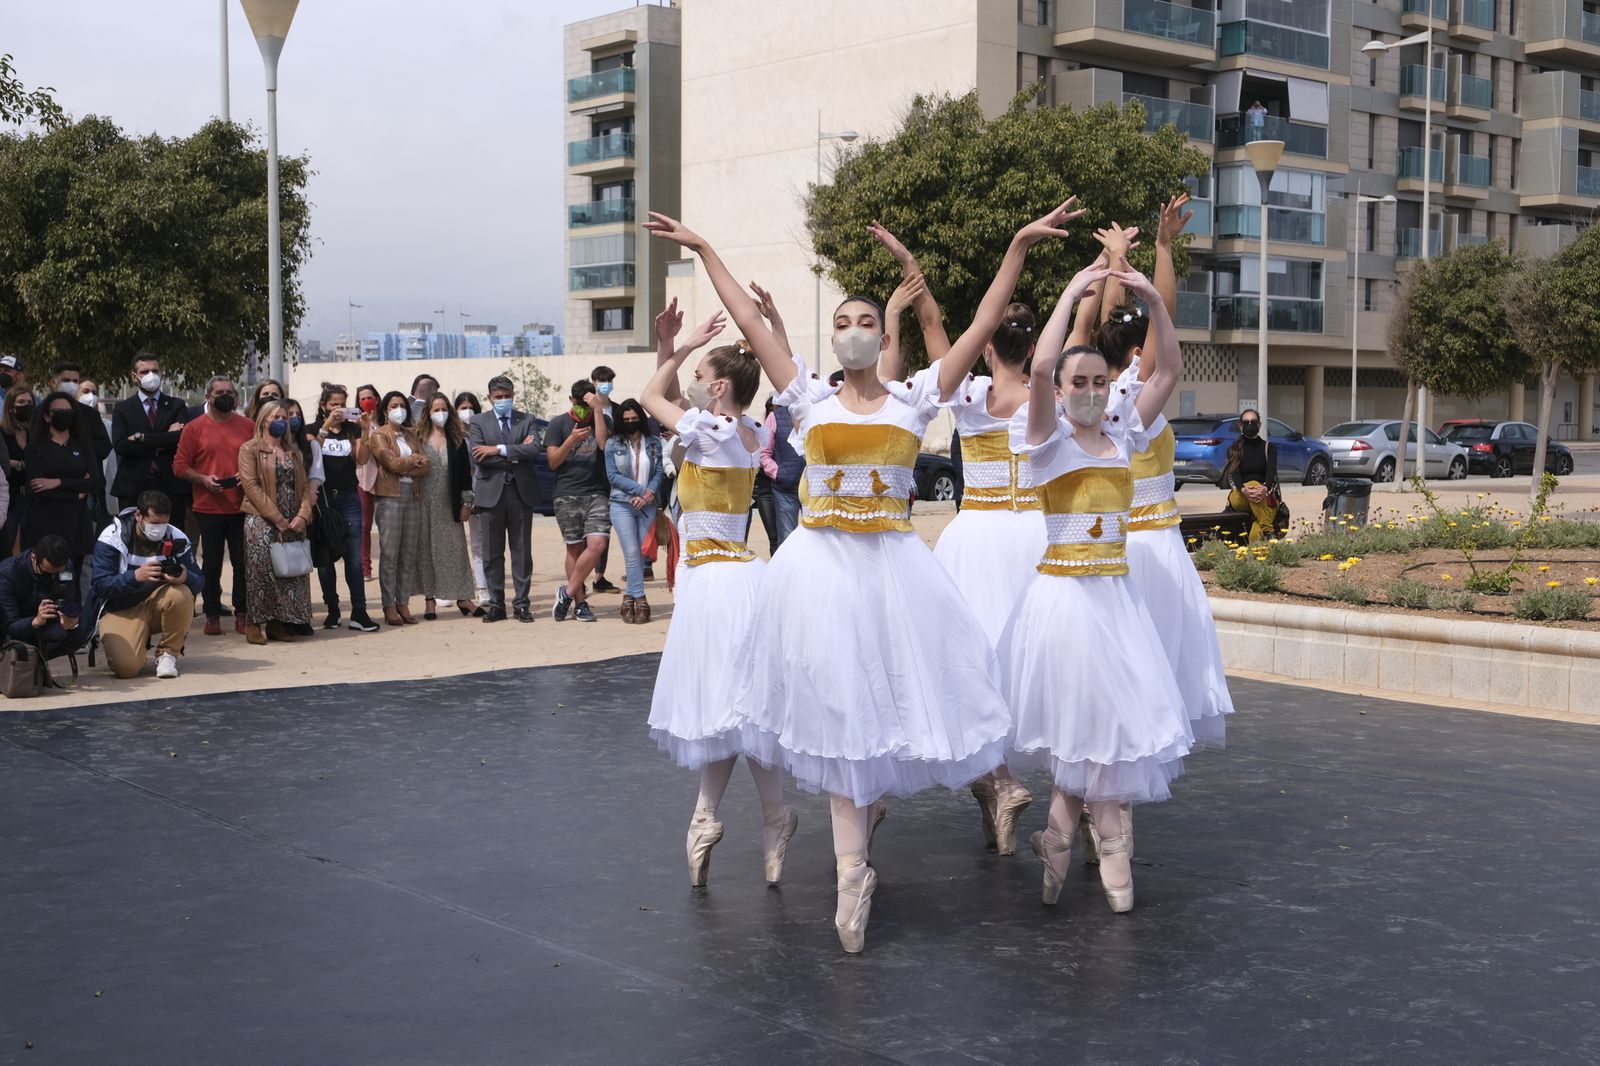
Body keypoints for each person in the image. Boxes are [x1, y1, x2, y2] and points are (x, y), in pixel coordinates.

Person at [645, 208, 1069, 954]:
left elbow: (983, 323)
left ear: (881, 333)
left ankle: (855, 864)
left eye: (865, 318)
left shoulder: (916, 399)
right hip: (817, 576)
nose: (852, 327)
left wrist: (1016, 248)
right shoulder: (807, 399)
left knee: (873, 721)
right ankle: (851, 873)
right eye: (842, 319)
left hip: (892, 577)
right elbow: (749, 315)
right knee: (841, 722)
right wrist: (707, 246)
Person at [1003, 258, 1193, 916]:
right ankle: (1100, 839)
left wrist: (1151, 299)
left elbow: (1167, 369)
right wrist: (1070, 293)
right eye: (1076, 381)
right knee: (1086, 729)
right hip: (1064, 602)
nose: (1087, 388)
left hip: (1116, 597)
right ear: (1059, 391)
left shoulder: (1123, 434)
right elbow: (1036, 367)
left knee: (1108, 726)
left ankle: (1063, 834)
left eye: (1097, 380)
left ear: (1110, 385)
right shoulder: (1046, 443)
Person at [640, 299, 797, 887]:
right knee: (733, 709)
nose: (694, 387)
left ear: (721, 386)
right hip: (718, 576)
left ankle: (723, 816)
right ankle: (764, 816)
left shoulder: (714, 432)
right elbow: (671, 400)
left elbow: (652, 398)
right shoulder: (743, 429)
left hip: (720, 580)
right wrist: (670, 344)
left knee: (733, 706)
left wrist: (682, 346)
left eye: (703, 378)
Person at [1096, 195, 1235, 758]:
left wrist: (1113, 264)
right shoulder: (1134, 400)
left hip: (1126, 541)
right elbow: (1164, 314)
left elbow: (1112, 324)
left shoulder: (1092, 392)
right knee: (1143, 668)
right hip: (1149, 548)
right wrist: (1160, 249)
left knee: (1117, 669)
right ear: (1136, 354)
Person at [174, 375, 254, 636]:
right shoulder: (194, 427)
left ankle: (242, 613)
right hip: (208, 507)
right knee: (211, 563)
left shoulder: (248, 425)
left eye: (230, 392)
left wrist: (248, 475)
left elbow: (258, 457)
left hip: (242, 506)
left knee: (243, 563)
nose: (226, 396)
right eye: (220, 392)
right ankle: (211, 613)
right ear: (208, 396)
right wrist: (203, 479)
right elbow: (180, 466)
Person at [90, 491, 202, 679]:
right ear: (138, 516)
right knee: (126, 669)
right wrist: (133, 577)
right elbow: (100, 585)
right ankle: (136, 643)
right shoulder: (112, 537)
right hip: (121, 607)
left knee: (182, 593)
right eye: (154, 523)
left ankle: (168, 654)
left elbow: (199, 581)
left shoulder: (176, 536)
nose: (159, 528)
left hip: (158, 603)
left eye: (163, 523)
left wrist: (186, 577)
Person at [237, 399, 316, 644]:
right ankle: (254, 623)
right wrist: (278, 519)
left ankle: (278, 622)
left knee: (288, 573)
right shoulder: (249, 449)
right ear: (264, 420)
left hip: (294, 520)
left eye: (284, 418)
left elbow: (304, 487)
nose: (282, 422)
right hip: (262, 519)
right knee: (261, 573)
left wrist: (303, 515)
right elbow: (251, 487)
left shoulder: (293, 452)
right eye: (276, 417)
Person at [467, 376, 543, 623]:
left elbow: (533, 451)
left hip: (520, 494)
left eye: (506, 396)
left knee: (521, 552)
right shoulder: (478, 421)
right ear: (489, 398)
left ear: (513, 395)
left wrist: (497, 449)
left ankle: (522, 604)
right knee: (491, 553)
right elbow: (479, 456)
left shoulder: (527, 419)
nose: (502, 400)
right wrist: (515, 451)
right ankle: (496, 605)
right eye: (497, 397)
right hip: (490, 495)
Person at [311, 385, 379, 633]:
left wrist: (364, 429)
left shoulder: (352, 429)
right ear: (323, 406)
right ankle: (332, 609)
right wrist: (326, 426)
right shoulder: (313, 430)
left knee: (353, 557)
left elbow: (361, 459)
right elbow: (311, 454)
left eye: (342, 404)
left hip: (349, 498)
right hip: (324, 500)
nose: (338, 409)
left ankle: (359, 611)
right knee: (326, 557)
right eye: (333, 405)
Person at [546, 380, 610, 622]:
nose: (583, 406)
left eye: (588, 402)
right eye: (580, 402)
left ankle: (567, 591)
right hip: (566, 493)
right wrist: (571, 440)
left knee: (597, 544)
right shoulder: (558, 424)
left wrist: (597, 410)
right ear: (572, 400)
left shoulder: (601, 418)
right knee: (574, 547)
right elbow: (553, 462)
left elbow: (602, 444)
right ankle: (580, 602)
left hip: (597, 492)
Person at [369, 390, 430, 626]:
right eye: (394, 405)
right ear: (385, 410)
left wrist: (410, 464)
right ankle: (389, 604)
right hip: (390, 497)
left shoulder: (410, 435)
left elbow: (426, 467)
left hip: (412, 495)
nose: (399, 409)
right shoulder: (379, 436)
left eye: (402, 405)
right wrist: (412, 461)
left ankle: (403, 601)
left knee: (408, 553)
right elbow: (391, 464)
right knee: (390, 553)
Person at [416, 394, 478, 620]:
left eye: (443, 409)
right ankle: (430, 600)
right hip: (423, 502)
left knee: (456, 550)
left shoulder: (457, 439)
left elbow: (465, 476)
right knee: (426, 551)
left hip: (449, 502)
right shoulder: (418, 437)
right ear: (428, 413)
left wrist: (465, 503)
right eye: (435, 409)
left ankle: (463, 597)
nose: (439, 413)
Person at [604, 399, 665, 623]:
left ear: (640, 418)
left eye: (634, 419)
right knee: (631, 553)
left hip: (648, 505)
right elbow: (613, 476)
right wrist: (640, 490)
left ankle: (628, 597)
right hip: (622, 504)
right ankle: (640, 599)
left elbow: (659, 471)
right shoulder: (613, 444)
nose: (631, 422)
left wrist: (649, 494)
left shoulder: (655, 443)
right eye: (626, 420)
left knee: (641, 553)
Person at [23, 391, 97, 578]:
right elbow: (39, 488)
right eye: (58, 411)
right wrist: (76, 492)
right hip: (46, 522)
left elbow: (95, 482)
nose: (64, 414)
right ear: (47, 416)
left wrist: (57, 482)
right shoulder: (35, 447)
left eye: (68, 411)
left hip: (77, 523)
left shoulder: (83, 445)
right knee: (45, 576)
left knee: (74, 578)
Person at [109, 354, 191, 514]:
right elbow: (121, 446)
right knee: (132, 534)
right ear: (134, 377)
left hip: (170, 484)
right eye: (144, 372)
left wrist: (140, 437)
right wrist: (164, 438)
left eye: (155, 370)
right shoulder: (122, 408)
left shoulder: (176, 405)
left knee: (172, 536)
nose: (151, 375)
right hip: (133, 485)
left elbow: (178, 439)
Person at [0, 534, 91, 667]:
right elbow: (9, 626)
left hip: (46, 625)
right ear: (34, 558)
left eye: (58, 571)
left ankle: (34, 664)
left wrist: (71, 620)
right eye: (48, 571)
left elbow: (68, 600)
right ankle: (22, 662)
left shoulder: (66, 567)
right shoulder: (8, 573)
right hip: (19, 629)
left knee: (79, 633)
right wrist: (35, 620)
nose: (53, 575)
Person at [46, 361, 112, 529]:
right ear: (55, 382)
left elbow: (104, 446)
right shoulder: (42, 412)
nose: (71, 385)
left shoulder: (90, 414)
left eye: (75, 381)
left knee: (85, 538)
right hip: (52, 489)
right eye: (66, 380)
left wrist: (82, 456)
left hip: (87, 487)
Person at [280, 398, 324, 637]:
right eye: (289, 413)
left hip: (303, 510)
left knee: (299, 565)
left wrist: (310, 498)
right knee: (279, 565)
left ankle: (300, 616)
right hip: (277, 513)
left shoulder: (310, 445)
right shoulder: (272, 446)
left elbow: (316, 474)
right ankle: (281, 617)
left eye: (298, 413)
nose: (294, 418)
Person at [454, 391, 492, 608]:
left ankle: (482, 587)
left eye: (471, 407)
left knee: (479, 544)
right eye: (462, 408)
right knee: (452, 543)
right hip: (456, 493)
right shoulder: (451, 434)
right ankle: (449, 589)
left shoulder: (484, 432)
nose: (467, 412)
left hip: (481, 492)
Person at [588, 364, 622, 594]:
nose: (605, 383)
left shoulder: (618, 411)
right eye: (601, 380)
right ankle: (583, 573)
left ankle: (599, 575)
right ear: (593, 381)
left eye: (608, 379)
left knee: (607, 529)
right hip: (593, 475)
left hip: (616, 476)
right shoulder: (587, 410)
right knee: (593, 529)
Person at [1225, 409, 1280, 543]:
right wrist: (1244, 489)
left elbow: (1271, 472)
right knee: (1253, 484)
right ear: (1240, 425)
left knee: (1255, 536)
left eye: (1253, 422)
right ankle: (1268, 530)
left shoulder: (1269, 448)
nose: (1250, 425)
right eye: (1246, 422)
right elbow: (1235, 475)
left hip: (1264, 495)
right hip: (1240, 495)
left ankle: (1257, 548)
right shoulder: (1234, 449)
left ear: (1259, 425)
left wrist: (1265, 488)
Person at [353, 383, 381, 580]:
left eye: (369, 397)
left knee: (388, 525)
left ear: (377, 399)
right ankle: (365, 568)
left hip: (386, 479)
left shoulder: (387, 422)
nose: (366, 401)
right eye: (362, 398)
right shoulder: (355, 424)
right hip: (363, 478)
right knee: (364, 526)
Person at [1, 387, 32, 556]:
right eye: (21, 402)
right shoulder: (2, 432)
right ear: (10, 407)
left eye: (29, 403)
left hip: (31, 496)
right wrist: (17, 464)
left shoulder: (34, 434)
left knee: (29, 547)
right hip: (8, 496)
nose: (26, 406)